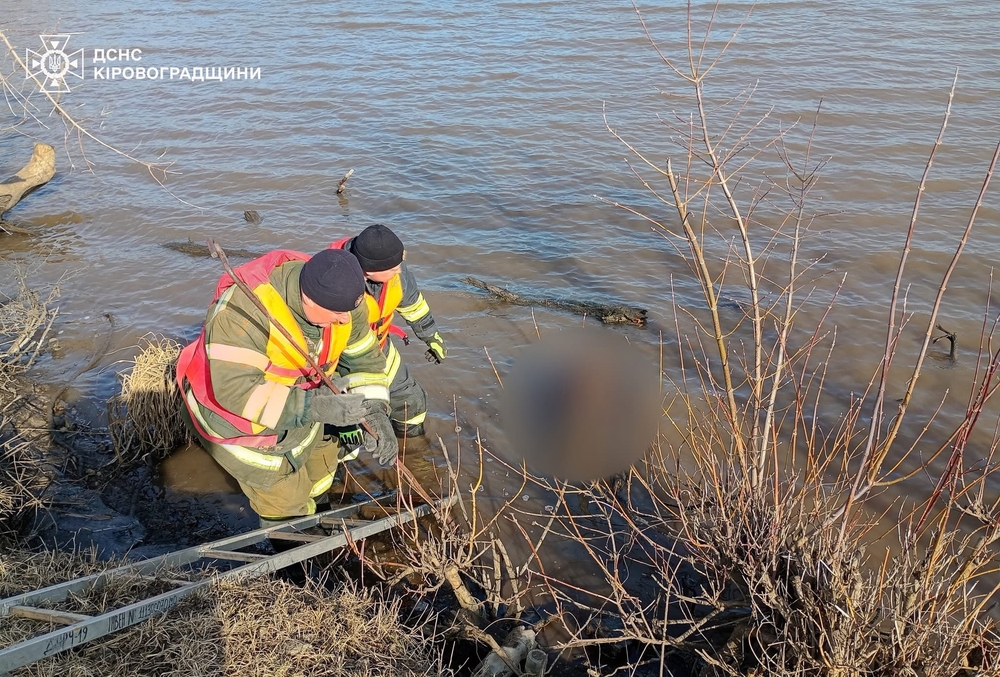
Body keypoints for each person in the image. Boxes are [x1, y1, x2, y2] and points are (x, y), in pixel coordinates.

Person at [175, 248, 397, 527]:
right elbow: (235, 390)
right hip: (242, 427)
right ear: (308, 298)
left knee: (321, 471)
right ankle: (292, 545)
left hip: (307, 408)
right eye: (337, 313)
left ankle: (318, 515)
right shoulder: (242, 313)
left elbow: (366, 359)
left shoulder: (344, 302)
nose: (344, 320)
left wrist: (376, 411)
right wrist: (313, 407)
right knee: (284, 504)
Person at [331, 224, 446, 438]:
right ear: (369, 271)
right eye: (393, 269)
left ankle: (412, 448)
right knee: (357, 422)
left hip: (380, 347)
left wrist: (432, 336)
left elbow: (413, 305)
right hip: (345, 359)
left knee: (411, 401)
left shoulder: (393, 268)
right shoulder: (333, 282)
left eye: (399, 264)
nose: (399, 271)